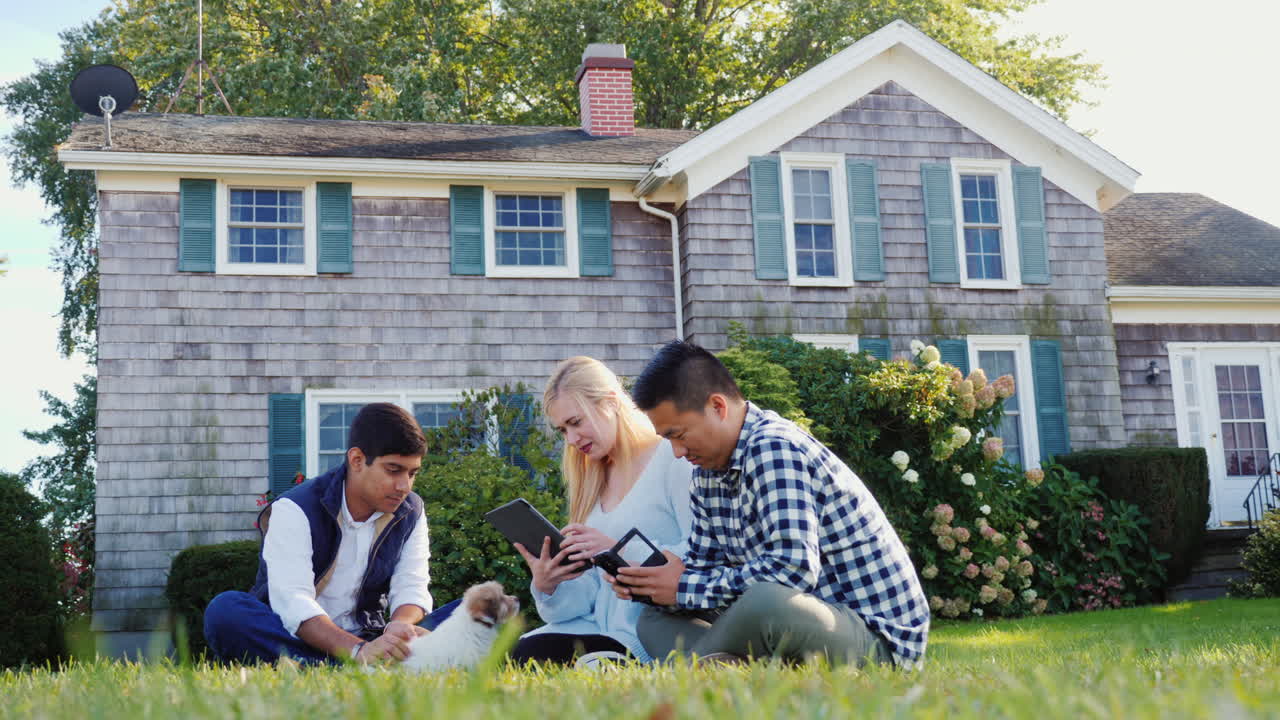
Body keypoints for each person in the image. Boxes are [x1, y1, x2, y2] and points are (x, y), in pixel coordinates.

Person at [608, 340, 930, 668]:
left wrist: (685, 586)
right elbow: (704, 570)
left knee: (763, 600)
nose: (677, 452)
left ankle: (707, 675)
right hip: (788, 628)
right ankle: (728, 672)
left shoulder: (774, 449)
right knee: (653, 619)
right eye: (668, 440)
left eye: (680, 434)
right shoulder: (706, 474)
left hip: (874, 640)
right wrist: (657, 583)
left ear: (718, 407)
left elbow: (793, 571)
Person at [204, 402, 434, 665]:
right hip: (295, 637)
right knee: (226, 611)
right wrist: (359, 651)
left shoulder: (410, 510)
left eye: (412, 473)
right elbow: (294, 603)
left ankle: (364, 662)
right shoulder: (295, 508)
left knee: (483, 606)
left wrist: (399, 628)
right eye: (393, 470)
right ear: (357, 460)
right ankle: (352, 664)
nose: (404, 486)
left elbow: (412, 585)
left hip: (373, 636)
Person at [510, 356, 694, 665]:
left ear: (610, 403)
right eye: (562, 430)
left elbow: (702, 553)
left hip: (650, 633)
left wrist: (615, 550)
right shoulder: (592, 478)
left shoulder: (673, 458)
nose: (571, 439)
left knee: (537, 657)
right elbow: (589, 597)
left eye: (575, 422)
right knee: (518, 653)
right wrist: (550, 583)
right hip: (601, 628)